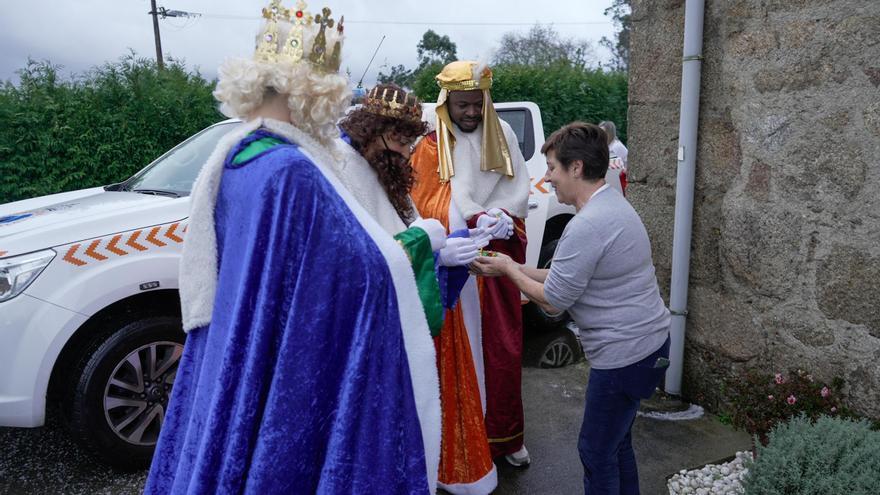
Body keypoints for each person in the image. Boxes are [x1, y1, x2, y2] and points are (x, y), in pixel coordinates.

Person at [144, 2, 441, 494]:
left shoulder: (238, 156)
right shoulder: (290, 172)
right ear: (314, 90)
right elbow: (358, 275)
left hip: (242, 351)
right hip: (288, 370)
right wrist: (424, 244)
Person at [473, 122, 671, 495]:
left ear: (575, 167)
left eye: (551, 168)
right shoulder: (611, 205)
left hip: (624, 357)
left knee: (595, 452)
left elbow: (553, 299)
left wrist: (505, 270)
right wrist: (508, 264)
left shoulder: (588, 225)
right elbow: (559, 273)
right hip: (649, 346)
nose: (546, 178)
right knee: (616, 444)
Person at [409, 60, 530, 494]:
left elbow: (518, 190)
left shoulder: (505, 134)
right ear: (447, 101)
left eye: (477, 105)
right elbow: (422, 204)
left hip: (493, 264)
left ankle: (506, 439)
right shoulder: (429, 144)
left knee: (502, 353)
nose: (471, 114)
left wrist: (504, 217)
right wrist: (459, 228)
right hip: (456, 272)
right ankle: (458, 447)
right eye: (463, 105)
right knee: (463, 364)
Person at [598, 120, 628, 195]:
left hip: (621, 180)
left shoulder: (616, 147)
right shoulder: (607, 146)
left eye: (603, 133)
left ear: (609, 133)